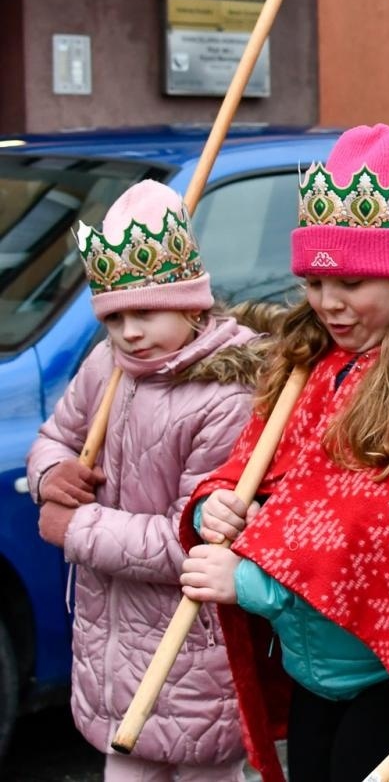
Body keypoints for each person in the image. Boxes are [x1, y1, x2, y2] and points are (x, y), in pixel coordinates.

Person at [176, 125, 389, 782]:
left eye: (351, 282)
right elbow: (257, 465)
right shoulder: (314, 359)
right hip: (311, 662)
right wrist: (215, 503)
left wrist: (253, 580)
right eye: (315, 283)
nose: (328, 303)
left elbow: (384, 521)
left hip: (383, 667)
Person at [26, 181, 260, 782]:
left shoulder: (224, 396)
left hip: (192, 654)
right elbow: (54, 436)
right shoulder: (108, 368)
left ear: (192, 307)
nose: (130, 332)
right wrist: (55, 473)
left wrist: (75, 526)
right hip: (109, 650)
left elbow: (194, 539)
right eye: (116, 317)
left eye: (146, 313)